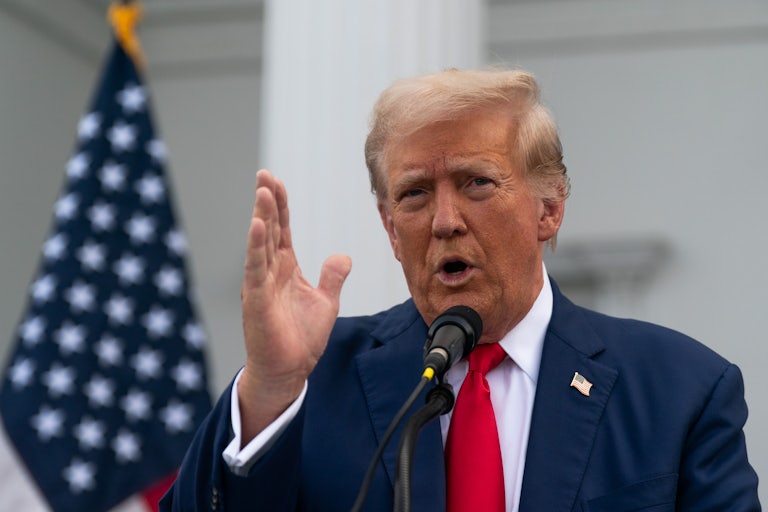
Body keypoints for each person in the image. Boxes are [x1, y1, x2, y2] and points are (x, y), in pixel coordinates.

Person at [161, 69, 760, 511]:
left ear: (549, 209)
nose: (445, 219)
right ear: (391, 229)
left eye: (477, 182)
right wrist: (269, 387)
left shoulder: (680, 390)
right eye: (415, 194)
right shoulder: (313, 380)